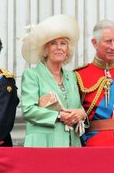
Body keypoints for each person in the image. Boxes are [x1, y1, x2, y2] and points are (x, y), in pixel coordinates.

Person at [21, 14, 87, 147]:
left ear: (68, 50)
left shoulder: (72, 77)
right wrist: (59, 116)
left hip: (71, 144)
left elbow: (77, 107)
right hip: (43, 145)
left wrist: (82, 113)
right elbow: (28, 110)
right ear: (45, 49)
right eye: (53, 43)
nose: (59, 47)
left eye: (63, 43)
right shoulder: (32, 75)